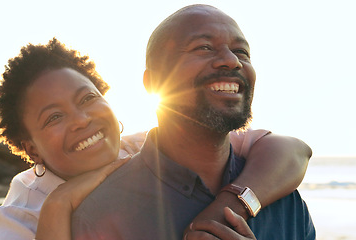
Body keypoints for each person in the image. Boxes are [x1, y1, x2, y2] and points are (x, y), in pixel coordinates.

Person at [0, 37, 311, 240]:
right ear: (31, 149)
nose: (81, 120)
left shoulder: (141, 147)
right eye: (54, 117)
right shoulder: (18, 217)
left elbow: (292, 150)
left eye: (87, 99)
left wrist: (232, 205)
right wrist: (58, 205)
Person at [70, 4, 315, 240]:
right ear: (154, 83)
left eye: (241, 52)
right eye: (204, 47)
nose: (232, 61)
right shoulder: (101, 215)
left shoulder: (285, 203)